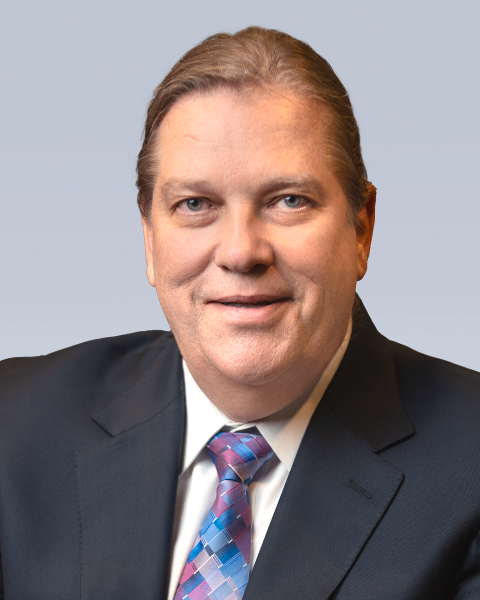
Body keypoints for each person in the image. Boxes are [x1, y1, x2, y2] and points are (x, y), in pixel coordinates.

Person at [0, 26, 478, 600]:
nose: (240, 252)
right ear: (149, 239)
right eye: (195, 204)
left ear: (361, 229)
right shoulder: (14, 422)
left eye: (288, 200)